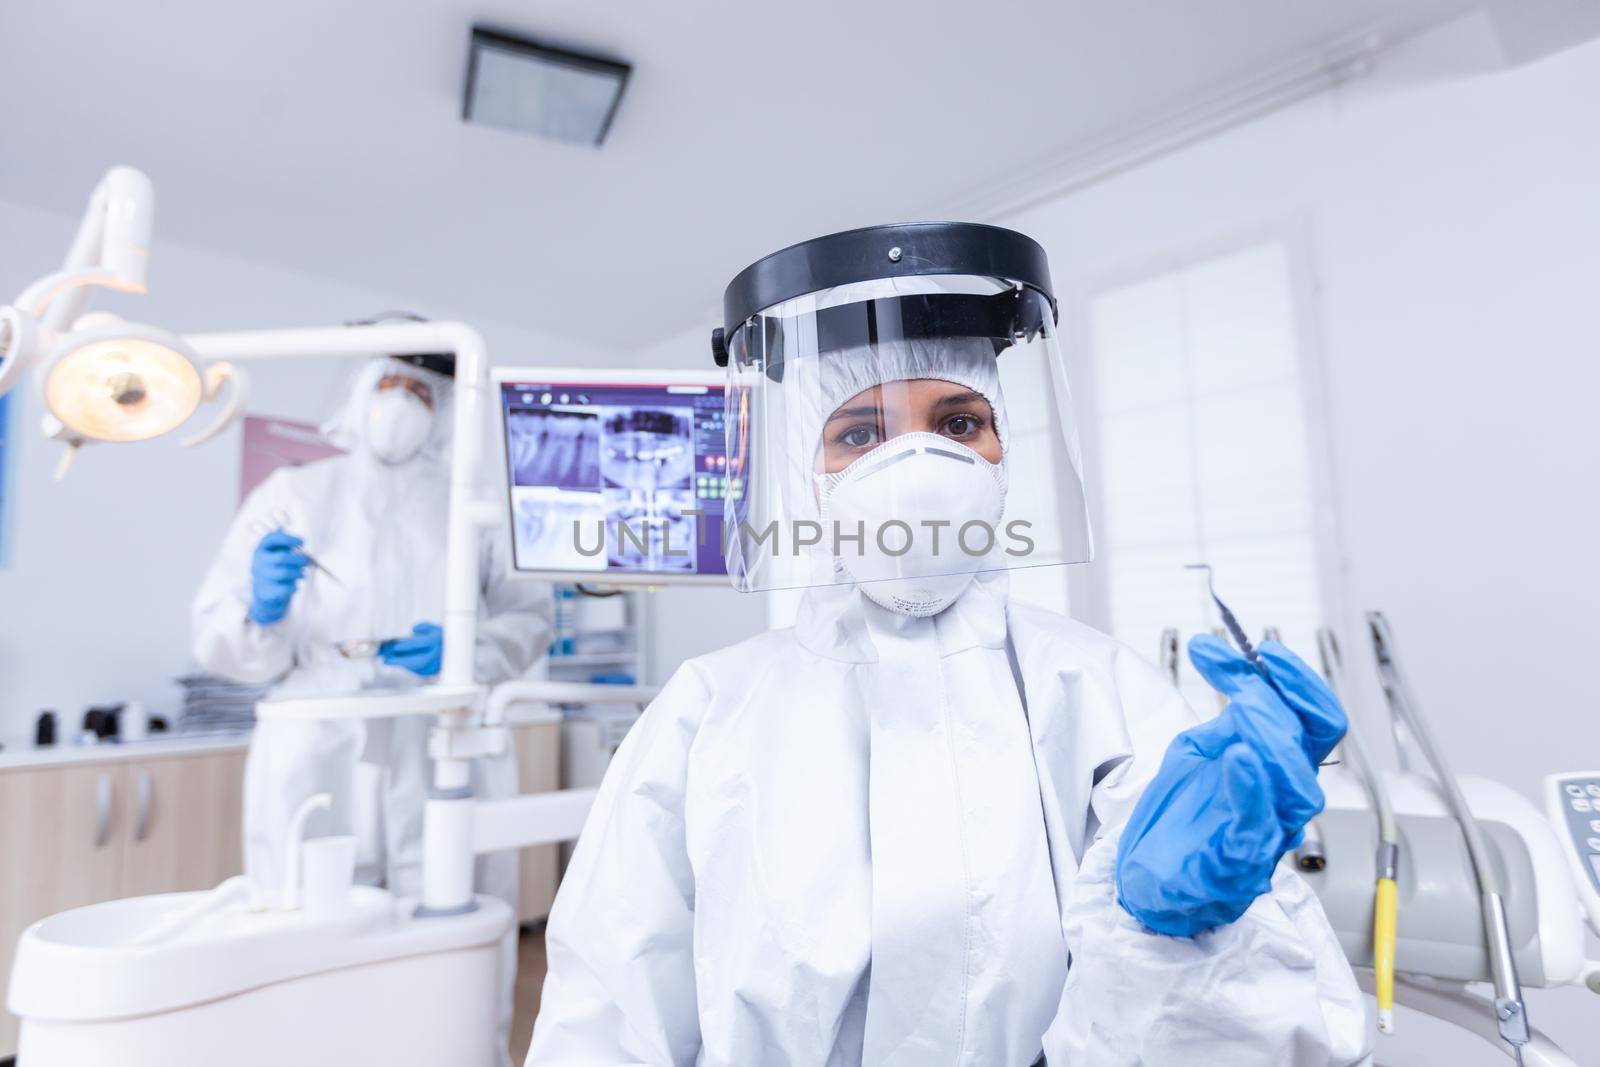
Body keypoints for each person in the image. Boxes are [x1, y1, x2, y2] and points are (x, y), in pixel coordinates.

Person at [527, 225, 1368, 1066]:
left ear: (1004, 454)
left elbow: (1232, 1037)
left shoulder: (1100, 687)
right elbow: (605, 1012)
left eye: (958, 421)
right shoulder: (708, 709)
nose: (917, 465)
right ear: (809, 476)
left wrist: (1186, 934)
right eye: (859, 433)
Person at [191, 344, 551, 1065]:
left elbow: (530, 618)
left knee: (448, 933)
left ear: (446, 408)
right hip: (318, 739)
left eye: (421, 392)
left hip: (437, 730)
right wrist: (259, 609)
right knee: (306, 933)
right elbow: (215, 635)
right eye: (388, 382)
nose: (400, 403)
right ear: (357, 391)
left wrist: (463, 649)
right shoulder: (296, 493)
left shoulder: (474, 508)